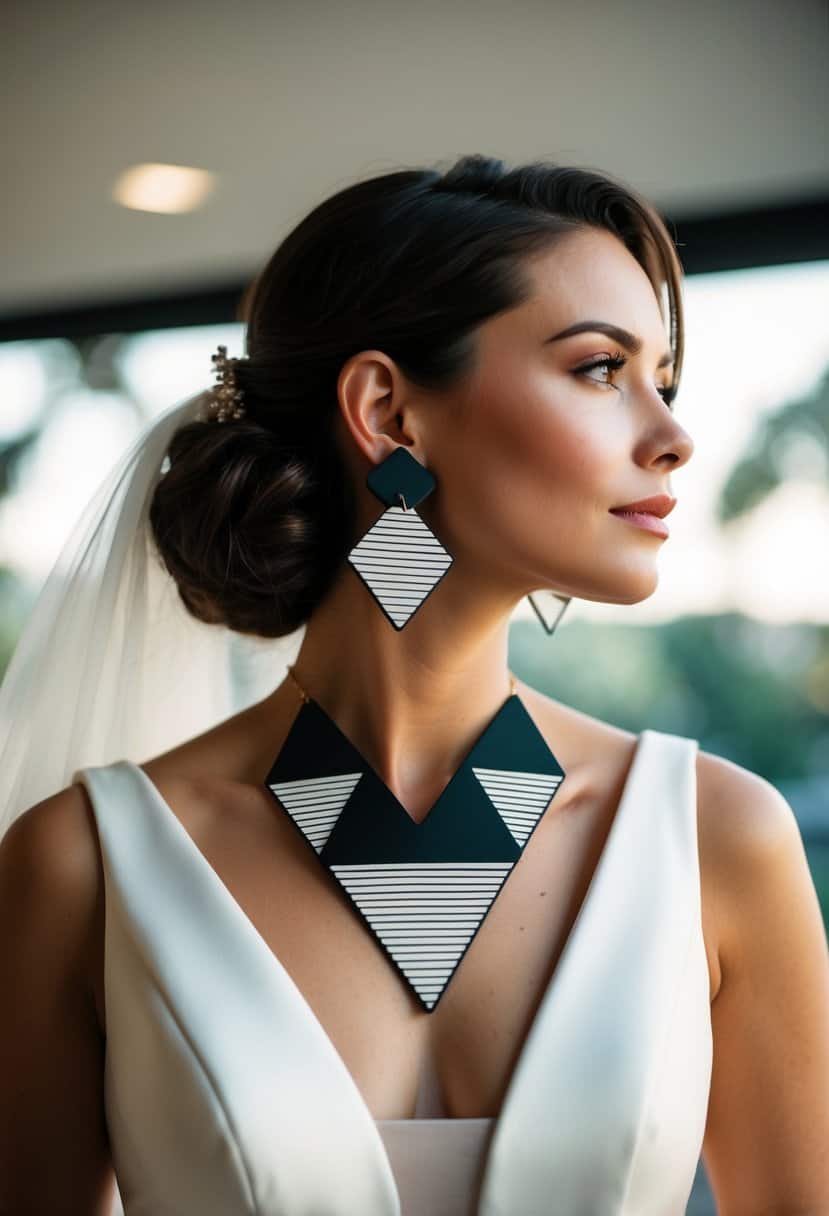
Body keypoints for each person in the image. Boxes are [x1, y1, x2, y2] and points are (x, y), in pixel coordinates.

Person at [1, 154, 827, 1216]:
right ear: (388, 412)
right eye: (597, 370)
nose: (671, 437)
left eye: (661, 380)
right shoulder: (85, 865)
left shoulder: (716, 840)